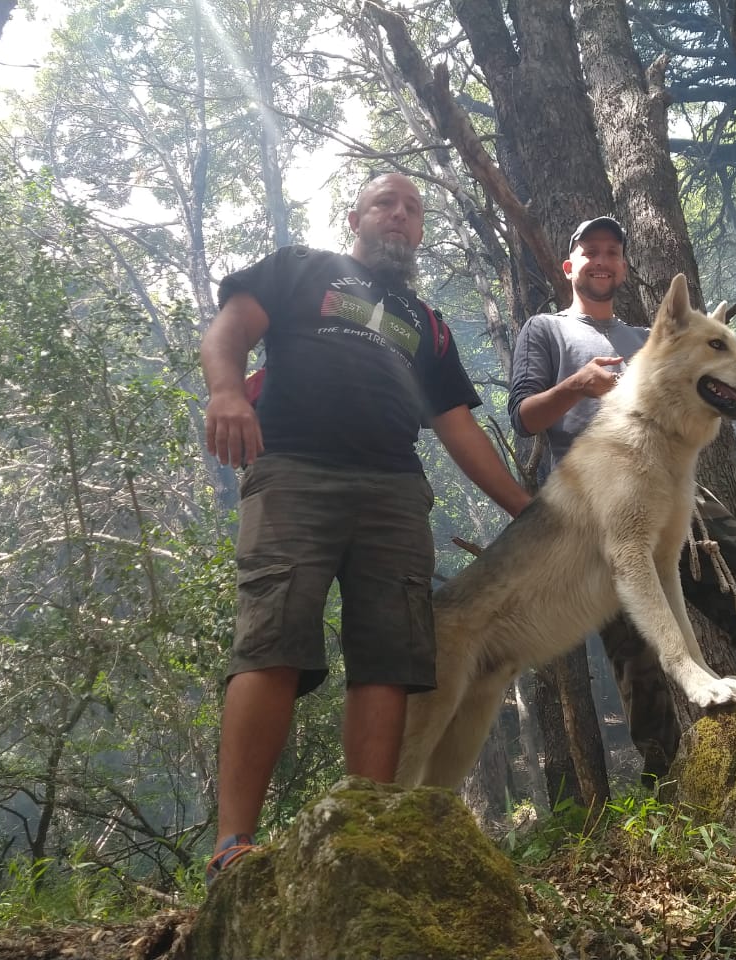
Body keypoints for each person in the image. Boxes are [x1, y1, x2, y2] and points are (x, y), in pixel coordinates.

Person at [201, 172, 531, 883]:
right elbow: (231, 328)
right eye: (386, 202)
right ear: (355, 216)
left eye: (413, 208)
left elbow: (458, 427)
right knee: (271, 640)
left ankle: (367, 839)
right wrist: (226, 391)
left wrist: (529, 511)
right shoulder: (301, 268)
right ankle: (233, 846)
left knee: (389, 657)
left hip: (394, 492)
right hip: (294, 471)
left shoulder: (428, 323)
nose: (400, 215)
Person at [508, 216, 736, 779]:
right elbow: (524, 417)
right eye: (590, 251)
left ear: (623, 266)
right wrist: (576, 385)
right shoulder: (546, 329)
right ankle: (668, 790)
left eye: (612, 252)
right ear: (570, 266)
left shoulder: (654, 335)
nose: (602, 260)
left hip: (679, 488)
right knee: (638, 658)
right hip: (599, 501)